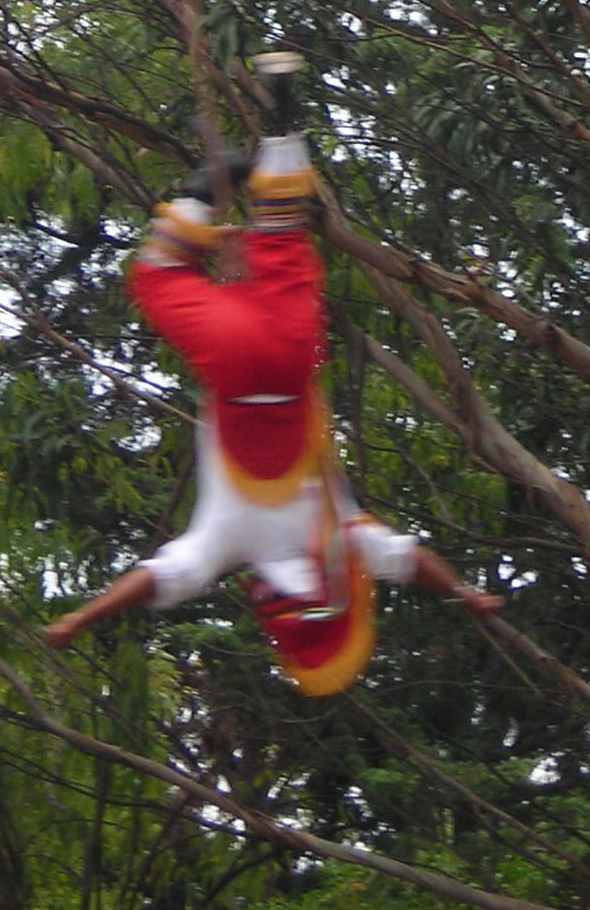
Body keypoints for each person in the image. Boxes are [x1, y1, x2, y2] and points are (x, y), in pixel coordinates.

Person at [43, 61, 500, 694]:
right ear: (270, 597)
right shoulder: (230, 544)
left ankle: (282, 114)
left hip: (291, 351)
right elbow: (158, 577)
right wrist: (81, 616)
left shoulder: (342, 542)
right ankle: (203, 191)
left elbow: (407, 560)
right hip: (234, 364)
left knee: (284, 241)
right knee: (156, 280)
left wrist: (465, 592)